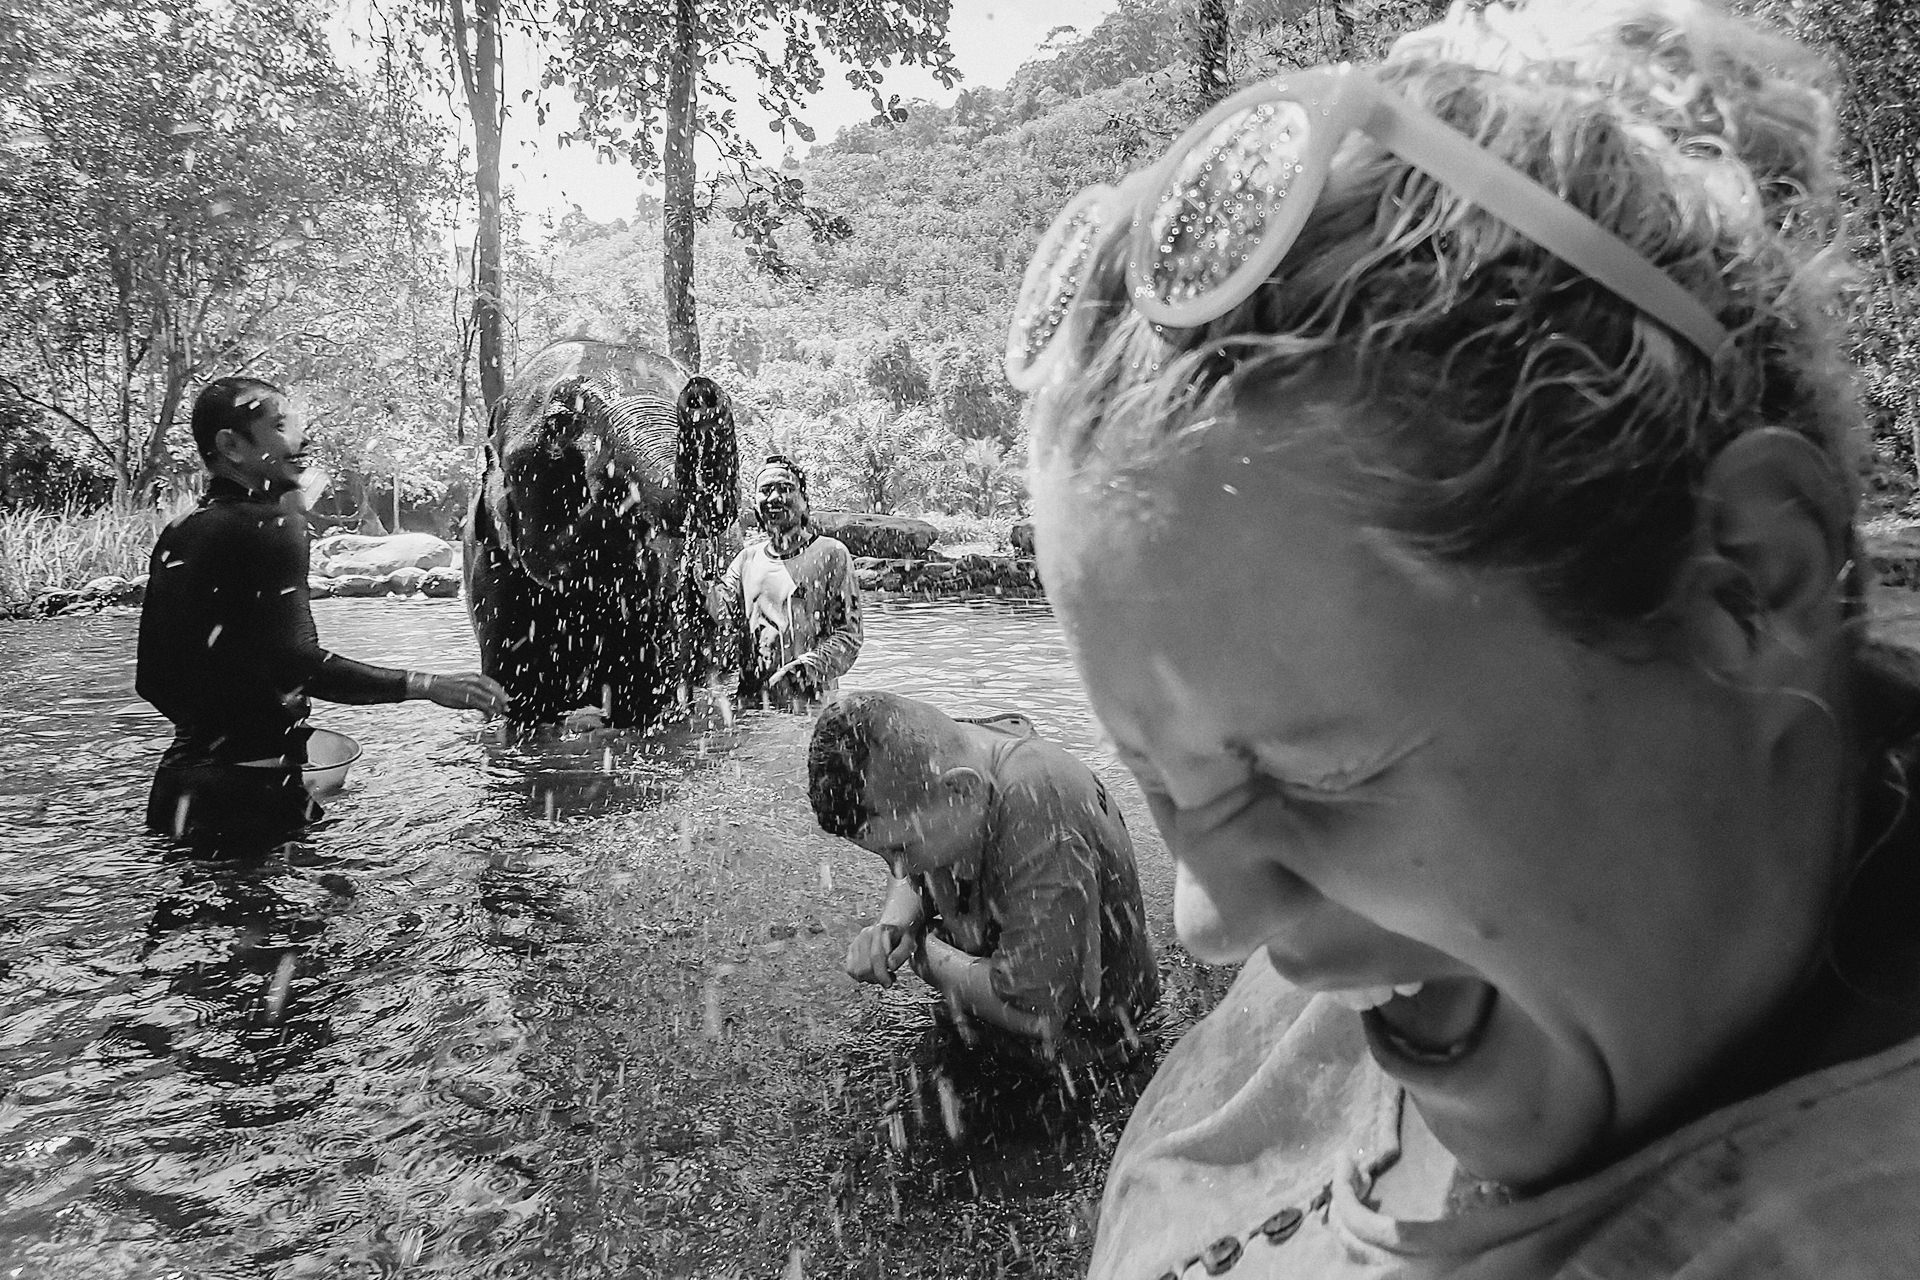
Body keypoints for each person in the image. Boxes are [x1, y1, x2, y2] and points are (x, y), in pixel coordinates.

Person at [1011, 0, 1920, 1274]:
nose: (1206, 919)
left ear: (1749, 586)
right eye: (1161, 781)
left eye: (1314, 775)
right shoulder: (1466, 943)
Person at [137, 377, 507, 850]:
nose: (303, 439)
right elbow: (296, 663)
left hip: (178, 794)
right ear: (230, 445)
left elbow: (153, 679)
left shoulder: (182, 530)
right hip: (252, 799)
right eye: (280, 426)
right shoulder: (275, 525)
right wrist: (427, 685)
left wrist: (241, 729)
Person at [808, 691, 1160, 1071]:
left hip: (1095, 1053)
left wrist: (927, 955)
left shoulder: (1043, 811)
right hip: (995, 1016)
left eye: (901, 849)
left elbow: (1039, 1016)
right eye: (881, 854)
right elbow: (911, 866)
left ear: (962, 789)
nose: (897, 870)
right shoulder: (945, 753)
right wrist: (895, 924)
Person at [711, 454, 862, 710]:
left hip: (812, 707)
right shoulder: (746, 559)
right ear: (755, 503)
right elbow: (719, 619)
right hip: (751, 708)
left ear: (804, 501)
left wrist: (800, 673)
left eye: (785, 488)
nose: (774, 498)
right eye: (766, 490)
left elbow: (849, 637)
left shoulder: (830, 554)